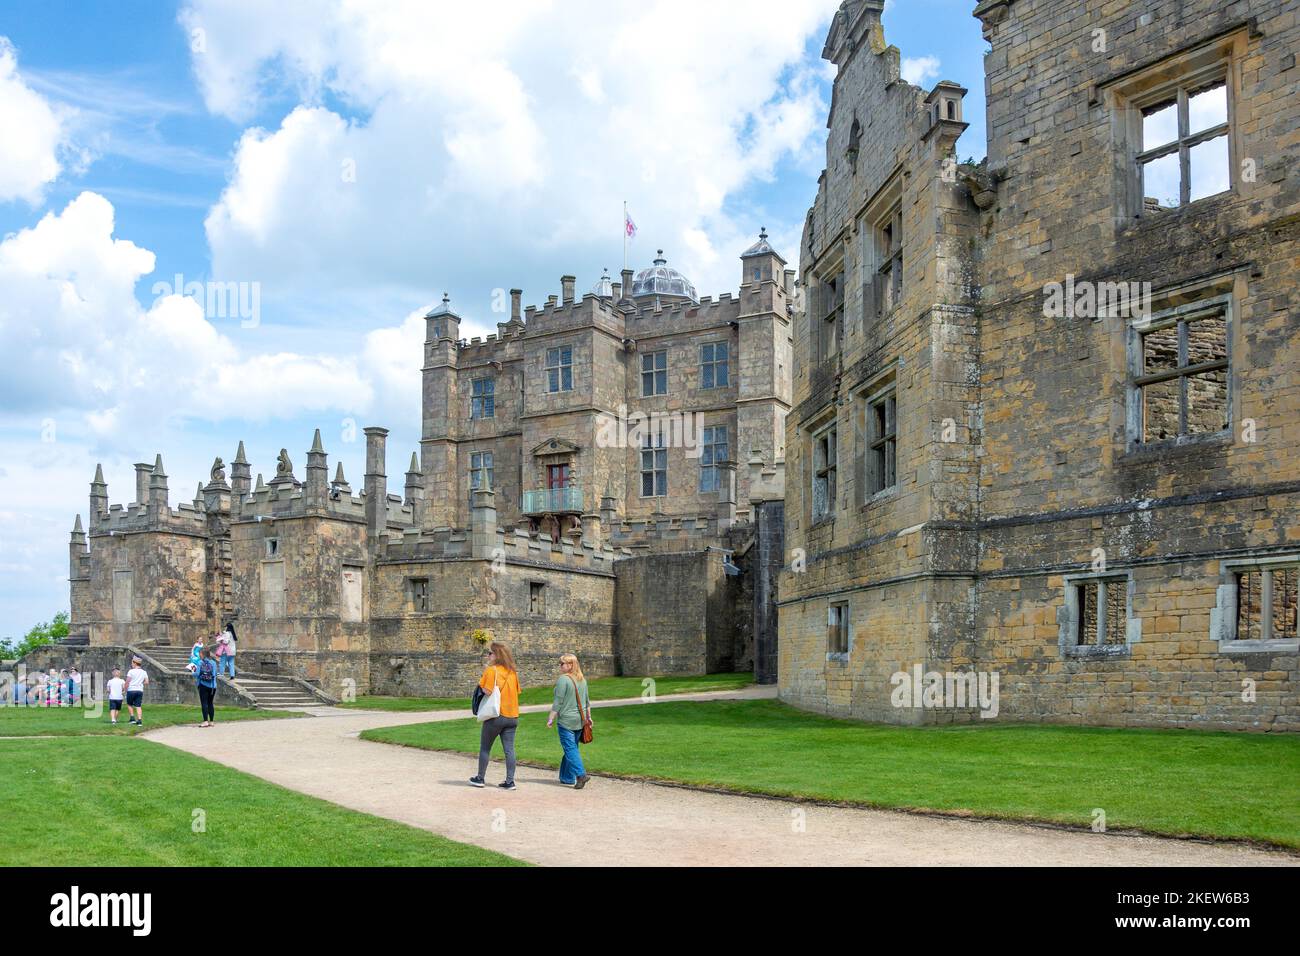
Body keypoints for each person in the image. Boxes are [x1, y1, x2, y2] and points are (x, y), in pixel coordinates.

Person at [469, 642, 520, 790]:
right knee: (509, 750)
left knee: (485, 747)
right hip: (512, 715)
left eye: (490, 653)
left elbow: (487, 691)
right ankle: (510, 781)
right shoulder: (512, 672)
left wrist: (481, 686)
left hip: (496, 715)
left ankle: (480, 777)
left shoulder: (492, 670)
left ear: (497, 655)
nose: (488, 656)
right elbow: (516, 691)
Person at [546, 653, 593, 789]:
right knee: (572, 748)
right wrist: (589, 718)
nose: (560, 666)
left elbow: (558, 702)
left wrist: (551, 718)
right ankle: (566, 777)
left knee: (570, 748)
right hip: (580, 720)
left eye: (562, 663)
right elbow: (587, 701)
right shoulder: (582, 679)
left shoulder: (563, 679)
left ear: (571, 665)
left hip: (566, 720)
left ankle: (580, 775)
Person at [195, 648, 218, 727]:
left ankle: (205, 721)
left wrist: (192, 672)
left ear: (203, 654)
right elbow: (215, 674)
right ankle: (211, 721)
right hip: (212, 686)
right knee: (210, 703)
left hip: (203, 685)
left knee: (204, 703)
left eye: (200, 654)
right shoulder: (213, 663)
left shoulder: (200, 662)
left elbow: (197, 674)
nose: (199, 655)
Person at [124, 656, 149, 726]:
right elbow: (147, 682)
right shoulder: (144, 672)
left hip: (131, 690)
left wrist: (125, 689)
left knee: (129, 704)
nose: (132, 664)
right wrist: (140, 683)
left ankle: (132, 718)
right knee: (138, 705)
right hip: (139, 690)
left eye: (132, 662)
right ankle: (139, 720)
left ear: (135, 663)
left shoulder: (131, 671)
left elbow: (127, 681)